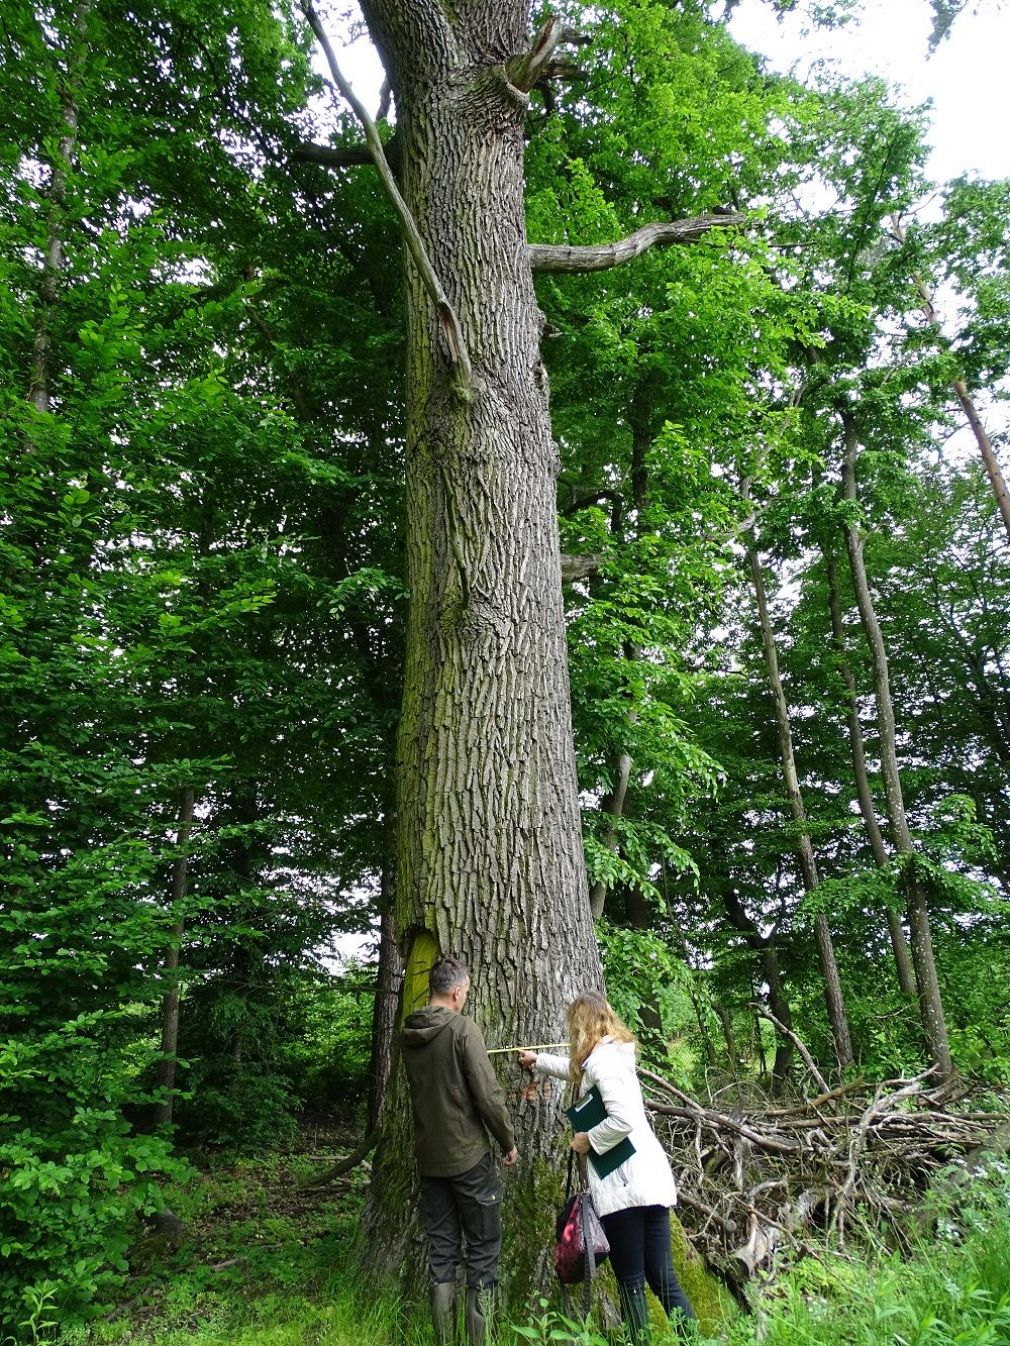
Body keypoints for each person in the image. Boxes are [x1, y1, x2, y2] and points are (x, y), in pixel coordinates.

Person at [520, 991, 695, 1340]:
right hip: (647, 1181)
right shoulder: (609, 1056)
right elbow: (574, 1071)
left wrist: (587, 1141)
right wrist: (537, 1060)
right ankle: (696, 1341)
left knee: (631, 1281)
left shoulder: (603, 1063)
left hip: (625, 1185)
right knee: (662, 1277)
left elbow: (623, 1120)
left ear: (582, 1025)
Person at [402, 955, 520, 1346]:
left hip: (430, 1160)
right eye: (465, 993)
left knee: (442, 1254)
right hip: (469, 1158)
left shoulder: (410, 1033)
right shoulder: (462, 1030)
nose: (465, 998)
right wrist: (508, 1141)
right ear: (456, 992)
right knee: (483, 1252)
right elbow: (487, 1095)